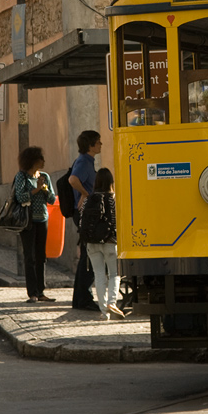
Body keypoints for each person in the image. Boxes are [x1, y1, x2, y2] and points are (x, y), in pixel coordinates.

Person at [79, 168, 123, 320]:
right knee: (114, 274)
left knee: (98, 274)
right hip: (111, 241)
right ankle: (112, 303)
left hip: (92, 243)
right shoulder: (115, 198)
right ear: (111, 182)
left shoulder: (89, 199)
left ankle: (104, 311)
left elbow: (81, 221)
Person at [13, 146, 56, 303]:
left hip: (42, 219)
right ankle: (32, 292)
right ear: (32, 161)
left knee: (41, 256)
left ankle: (41, 291)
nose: (44, 161)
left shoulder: (45, 177)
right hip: (28, 221)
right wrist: (36, 189)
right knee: (29, 256)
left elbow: (52, 200)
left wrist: (44, 190)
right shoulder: (22, 177)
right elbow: (20, 197)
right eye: (41, 158)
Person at [69, 130, 102, 311]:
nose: (100, 145)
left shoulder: (87, 161)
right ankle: (83, 299)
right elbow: (73, 180)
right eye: (98, 142)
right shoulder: (83, 161)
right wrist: (85, 193)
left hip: (87, 213)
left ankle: (81, 298)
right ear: (90, 145)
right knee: (88, 257)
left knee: (88, 256)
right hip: (85, 214)